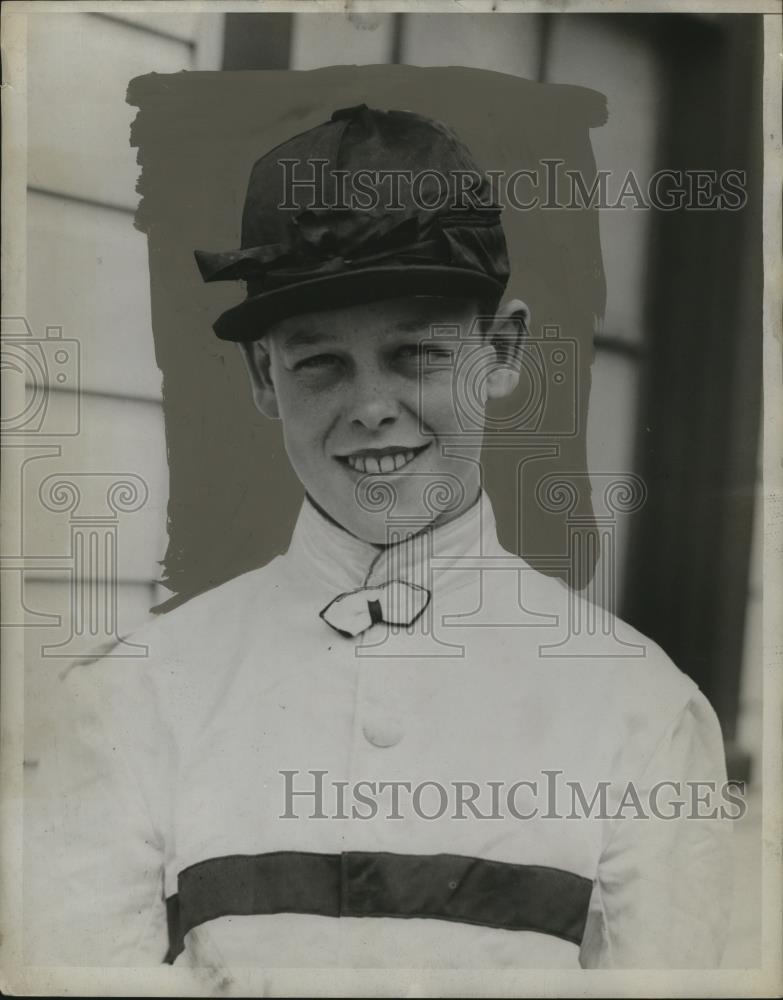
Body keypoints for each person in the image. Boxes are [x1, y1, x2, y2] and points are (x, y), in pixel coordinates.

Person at [36, 104, 732, 974]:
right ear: (264, 376)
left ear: (503, 349)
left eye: (416, 354)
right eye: (319, 362)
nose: (370, 408)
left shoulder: (638, 709)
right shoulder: (129, 702)